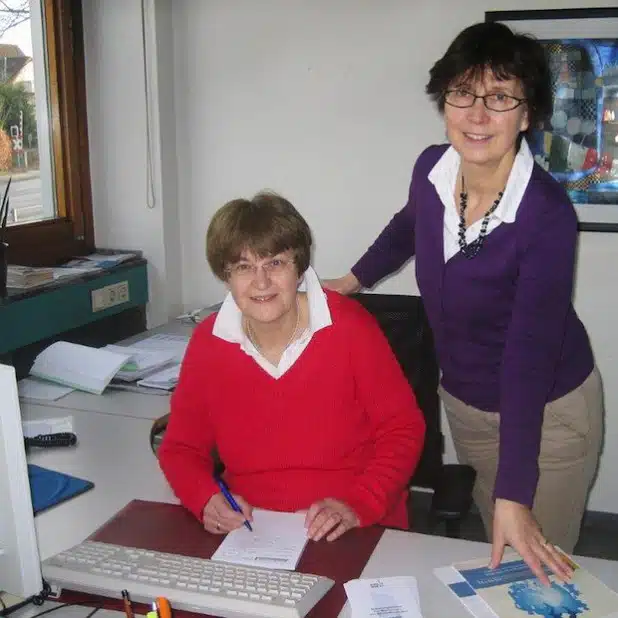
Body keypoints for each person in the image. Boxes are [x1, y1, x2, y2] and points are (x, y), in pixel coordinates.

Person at [325, 21, 603, 583]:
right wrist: (350, 282)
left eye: (500, 98)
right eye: (462, 93)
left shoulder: (546, 216)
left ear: (527, 115)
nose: (477, 115)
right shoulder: (432, 167)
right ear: (444, 100)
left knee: (538, 572)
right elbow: (407, 227)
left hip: (548, 412)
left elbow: (528, 360)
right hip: (469, 404)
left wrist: (515, 493)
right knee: (495, 546)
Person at [158, 191, 426, 543]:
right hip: (253, 531)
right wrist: (205, 499)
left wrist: (359, 503)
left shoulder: (349, 328)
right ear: (226, 277)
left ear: (299, 268)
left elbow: (403, 430)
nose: (261, 282)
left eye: (275, 263)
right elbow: (181, 448)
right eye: (243, 267)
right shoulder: (210, 343)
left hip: (353, 524)